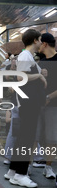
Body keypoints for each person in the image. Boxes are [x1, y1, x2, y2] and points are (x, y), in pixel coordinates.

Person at [4, 29, 46, 188]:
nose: (42, 42)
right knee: (27, 138)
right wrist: (39, 76)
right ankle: (21, 174)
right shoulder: (25, 55)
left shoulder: (28, 57)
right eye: (40, 39)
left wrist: (41, 72)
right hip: (28, 103)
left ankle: (13, 171)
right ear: (35, 40)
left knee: (23, 137)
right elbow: (21, 77)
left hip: (30, 102)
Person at [36, 32, 57, 179]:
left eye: (39, 41)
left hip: (53, 106)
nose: (37, 44)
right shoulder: (41, 61)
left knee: (51, 139)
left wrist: (49, 97)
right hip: (38, 105)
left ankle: (48, 167)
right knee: (36, 137)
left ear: (44, 44)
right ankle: (28, 166)